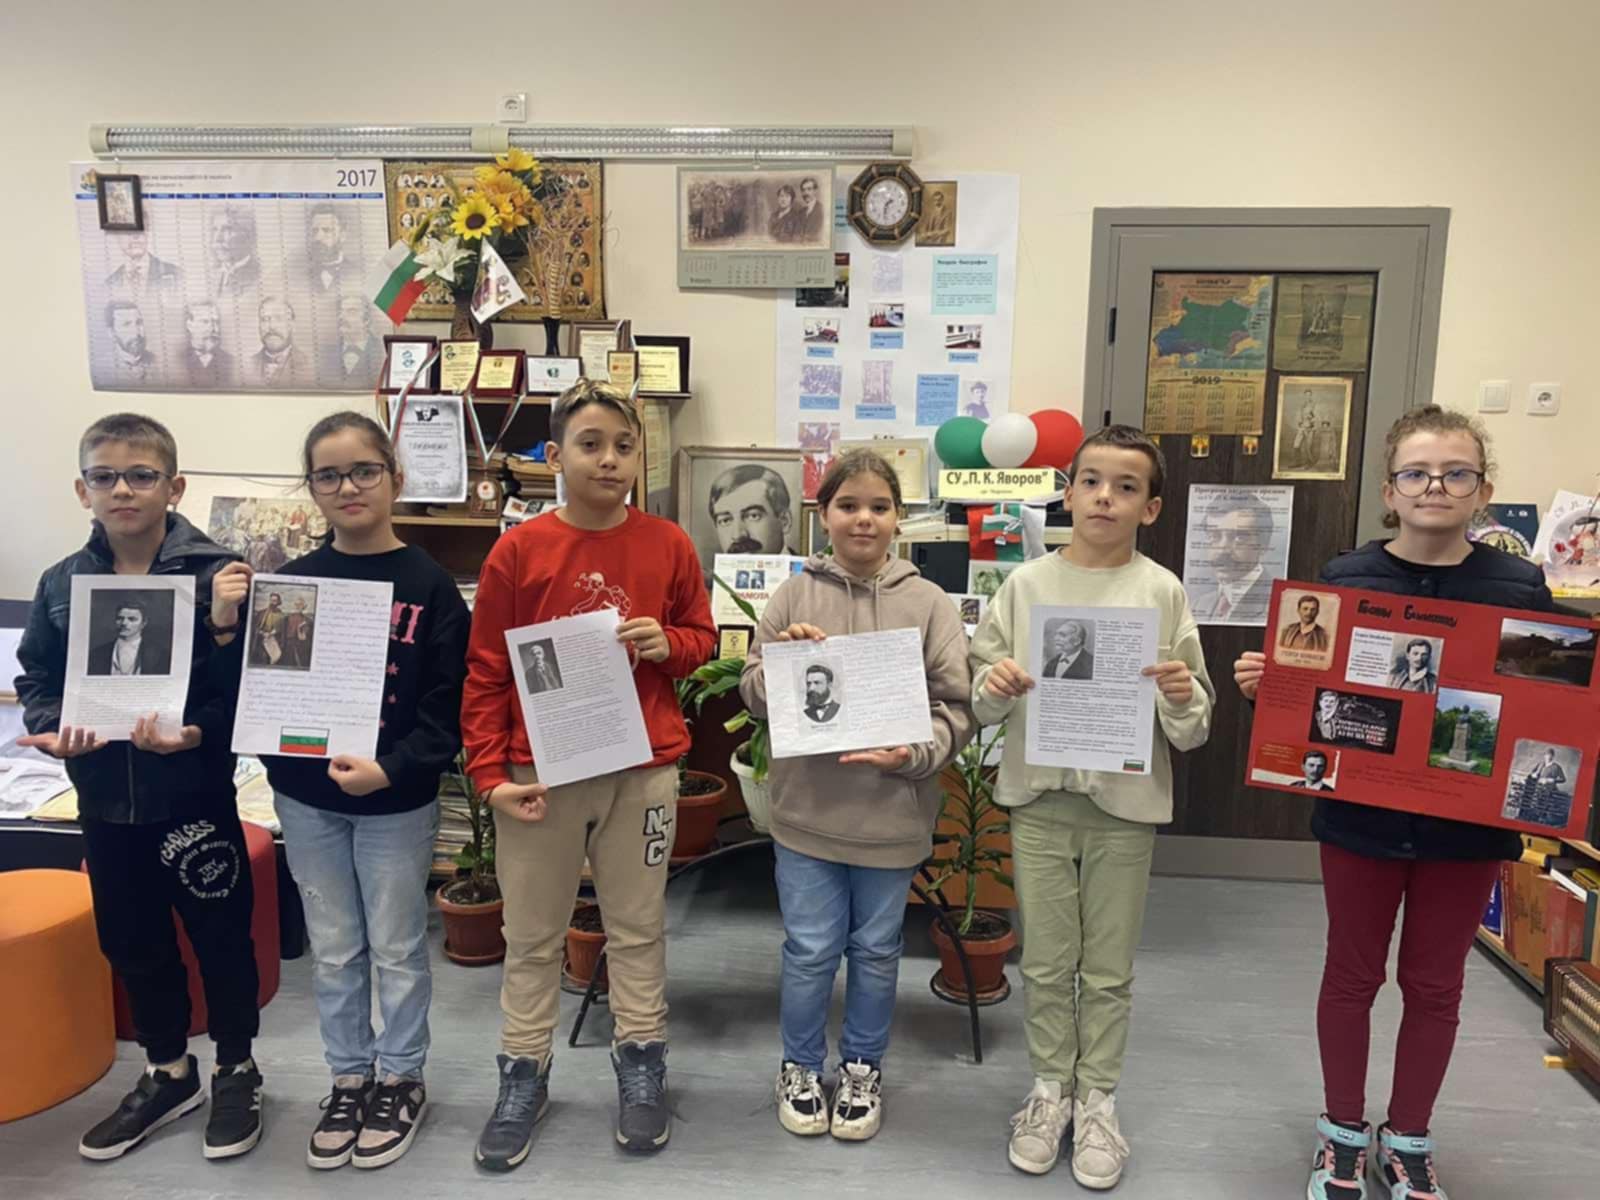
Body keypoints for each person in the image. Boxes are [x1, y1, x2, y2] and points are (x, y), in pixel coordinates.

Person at [1233, 405, 1554, 1200]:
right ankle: (1342, 1133)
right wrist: (1268, 689)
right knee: (1350, 976)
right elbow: (1319, 701)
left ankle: (1408, 1138)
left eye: (1456, 472)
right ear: (1390, 490)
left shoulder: (1519, 587)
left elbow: (1543, 708)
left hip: (1465, 828)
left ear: (1483, 490)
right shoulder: (1347, 579)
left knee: (1436, 986)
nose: (1435, 486)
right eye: (1417, 472)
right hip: (1362, 822)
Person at [461, 380, 715, 1169]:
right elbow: (486, 670)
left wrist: (667, 644)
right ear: (555, 455)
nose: (609, 460)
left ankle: (641, 1062)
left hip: (642, 769)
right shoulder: (518, 550)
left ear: (641, 458)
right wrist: (489, 774)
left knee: (638, 927)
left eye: (624, 447)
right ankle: (523, 1071)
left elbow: (703, 641)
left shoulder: (668, 543)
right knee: (531, 933)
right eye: (591, 444)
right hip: (543, 772)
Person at [209, 412, 469, 1171]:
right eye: (328, 475)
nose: (348, 486)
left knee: (397, 946)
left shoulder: (430, 587)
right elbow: (252, 697)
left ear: (396, 478)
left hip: (395, 801)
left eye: (363, 470)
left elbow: (446, 707)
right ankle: (349, 1077)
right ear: (312, 488)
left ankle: (402, 1076)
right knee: (333, 948)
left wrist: (394, 766)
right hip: (307, 798)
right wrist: (225, 628)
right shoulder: (291, 584)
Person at [14, 414, 263, 1161]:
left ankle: (237, 1068)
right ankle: (167, 1071)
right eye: (105, 477)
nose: (122, 490)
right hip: (105, 799)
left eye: (141, 475)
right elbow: (37, 676)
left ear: (173, 486)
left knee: (221, 938)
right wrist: (55, 725)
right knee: (132, 939)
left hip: (193, 798)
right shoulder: (62, 584)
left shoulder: (219, 575)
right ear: (82, 490)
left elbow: (247, 689)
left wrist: (199, 727)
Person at [970, 425, 1212, 1189]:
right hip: (1040, 799)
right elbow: (981, 700)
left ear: (1151, 508)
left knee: (1107, 968)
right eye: (1092, 482)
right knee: (1046, 961)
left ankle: (1098, 1098)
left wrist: (1181, 694)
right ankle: (1050, 1091)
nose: (1106, 497)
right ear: (1068, 493)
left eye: (1127, 487)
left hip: (1124, 805)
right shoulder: (1026, 586)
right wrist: (993, 686)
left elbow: (1194, 725)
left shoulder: (1161, 591)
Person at [739, 448, 974, 1142]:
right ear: (824, 515)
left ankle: (863, 1067)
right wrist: (783, 662)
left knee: (875, 950)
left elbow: (956, 708)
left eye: (879, 506)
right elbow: (752, 694)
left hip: (891, 815)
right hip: (807, 814)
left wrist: (915, 754)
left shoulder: (928, 604)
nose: (863, 519)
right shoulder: (792, 596)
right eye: (848, 505)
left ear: (900, 517)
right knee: (810, 949)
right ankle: (799, 1066)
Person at [1186, 491, 1277, 622]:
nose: (1222, 549)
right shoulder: (1198, 605)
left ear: (1263, 545)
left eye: (1239, 537)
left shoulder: (1278, 606)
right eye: (1214, 536)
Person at [708, 463, 798, 556]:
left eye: (753, 516)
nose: (738, 535)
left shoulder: (806, 565)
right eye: (725, 521)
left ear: (785, 521)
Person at [88, 595, 168, 676]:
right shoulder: (97, 653)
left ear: (143, 623)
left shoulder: (159, 654)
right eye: (120, 618)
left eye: (132, 619)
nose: (124, 623)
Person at [326, 296, 386, 387]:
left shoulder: (383, 350)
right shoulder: (327, 353)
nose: (341, 317)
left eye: (351, 312)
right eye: (340, 312)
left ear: (366, 320)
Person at [251, 296, 307, 388]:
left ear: (292, 325)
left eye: (279, 319)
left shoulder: (308, 364)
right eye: (265, 319)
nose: (272, 326)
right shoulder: (248, 364)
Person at [179, 300, 235, 388]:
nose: (214, 329)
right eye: (205, 322)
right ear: (189, 325)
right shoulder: (179, 360)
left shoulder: (230, 362)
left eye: (216, 322)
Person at [106, 232, 181, 296]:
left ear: (147, 233)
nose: (135, 237)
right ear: (117, 236)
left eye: (140, 229)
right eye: (127, 231)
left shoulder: (177, 274)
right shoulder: (108, 284)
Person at [208, 205, 260, 296]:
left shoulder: (259, 277)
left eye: (227, 229)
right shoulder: (211, 278)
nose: (217, 239)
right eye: (215, 230)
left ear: (248, 235)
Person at [105, 299, 155, 384]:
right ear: (112, 333)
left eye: (139, 323)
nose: (136, 332)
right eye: (126, 324)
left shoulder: (157, 361)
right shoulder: (105, 370)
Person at [308, 204, 354, 294]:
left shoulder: (357, 273)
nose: (318, 237)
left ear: (342, 235)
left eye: (327, 230)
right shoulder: (302, 275)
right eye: (315, 231)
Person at [251, 592, 286, 665]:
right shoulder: (262, 613)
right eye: (271, 600)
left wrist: (272, 633)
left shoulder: (281, 614)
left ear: (278, 602)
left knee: (275, 660)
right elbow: (255, 627)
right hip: (262, 641)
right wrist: (263, 633)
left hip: (275, 641)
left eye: (275, 601)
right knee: (262, 660)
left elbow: (281, 628)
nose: (273, 603)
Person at [283, 596, 314, 669]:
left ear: (304, 607)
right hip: (289, 647)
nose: (298, 606)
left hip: (301, 647)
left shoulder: (308, 620)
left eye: (300, 604)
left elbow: (306, 637)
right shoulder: (287, 618)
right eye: (296, 604)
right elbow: (283, 634)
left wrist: (301, 630)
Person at [795, 176, 825, 241]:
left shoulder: (822, 210)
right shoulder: (800, 212)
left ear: (815, 191)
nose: (806, 193)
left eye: (809, 189)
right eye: (803, 190)